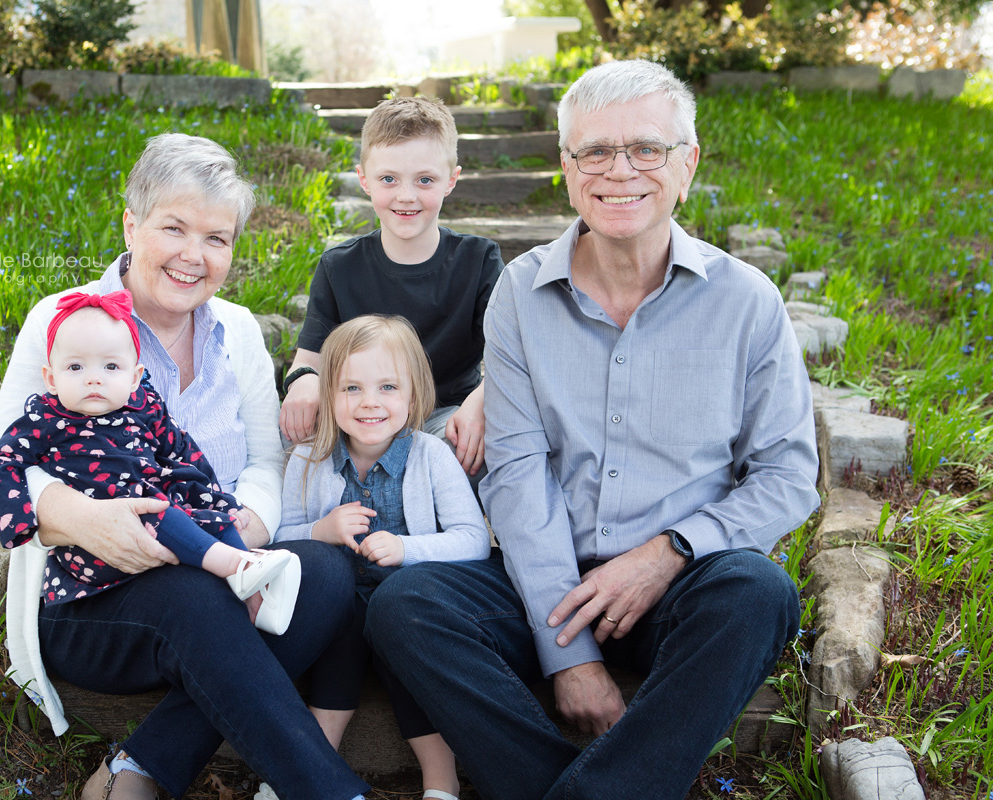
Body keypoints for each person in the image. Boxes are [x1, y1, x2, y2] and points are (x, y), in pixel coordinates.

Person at [366, 59, 821, 800]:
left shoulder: (748, 302)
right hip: (537, 580)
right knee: (406, 608)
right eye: (595, 152)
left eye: (646, 149)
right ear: (568, 168)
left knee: (758, 593)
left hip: (678, 584)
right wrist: (567, 654)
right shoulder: (519, 292)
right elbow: (515, 471)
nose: (621, 172)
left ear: (687, 165)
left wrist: (669, 552)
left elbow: (787, 476)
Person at [0, 134, 370, 800]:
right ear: (132, 225)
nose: (195, 255)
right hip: (93, 597)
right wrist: (81, 518)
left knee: (327, 573)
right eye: (174, 228)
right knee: (195, 598)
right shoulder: (66, 321)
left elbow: (265, 458)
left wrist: (249, 526)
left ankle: (142, 765)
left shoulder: (239, 331)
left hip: (215, 571)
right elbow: (1, 459)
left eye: (217, 238)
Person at [0, 289, 300, 634]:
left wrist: (221, 502)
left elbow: (185, 456)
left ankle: (254, 599)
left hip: (159, 524)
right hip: (98, 548)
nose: (94, 378)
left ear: (134, 377)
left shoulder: (144, 406)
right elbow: (1, 458)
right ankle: (238, 565)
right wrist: (21, 523)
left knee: (215, 519)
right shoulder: (46, 417)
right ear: (51, 378)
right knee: (161, 514)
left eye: (111, 366)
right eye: (75, 367)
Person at [270, 315, 490, 800]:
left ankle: (440, 781)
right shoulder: (309, 459)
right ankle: (306, 772)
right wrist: (321, 531)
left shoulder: (432, 456)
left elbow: (473, 539)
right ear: (328, 395)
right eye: (351, 387)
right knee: (340, 637)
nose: (370, 402)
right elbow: (281, 538)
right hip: (339, 610)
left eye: (388, 386)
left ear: (413, 394)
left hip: (411, 612)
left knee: (405, 644)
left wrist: (407, 548)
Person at [278, 96, 504, 483]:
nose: (406, 195)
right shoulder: (340, 266)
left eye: (425, 180)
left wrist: (480, 402)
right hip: (363, 412)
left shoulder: (478, 260)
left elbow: (511, 355)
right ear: (364, 179)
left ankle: (447, 537)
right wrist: (303, 382)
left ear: (451, 179)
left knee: (471, 446)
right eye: (388, 179)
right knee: (291, 432)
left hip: (447, 414)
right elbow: (308, 358)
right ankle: (322, 529)